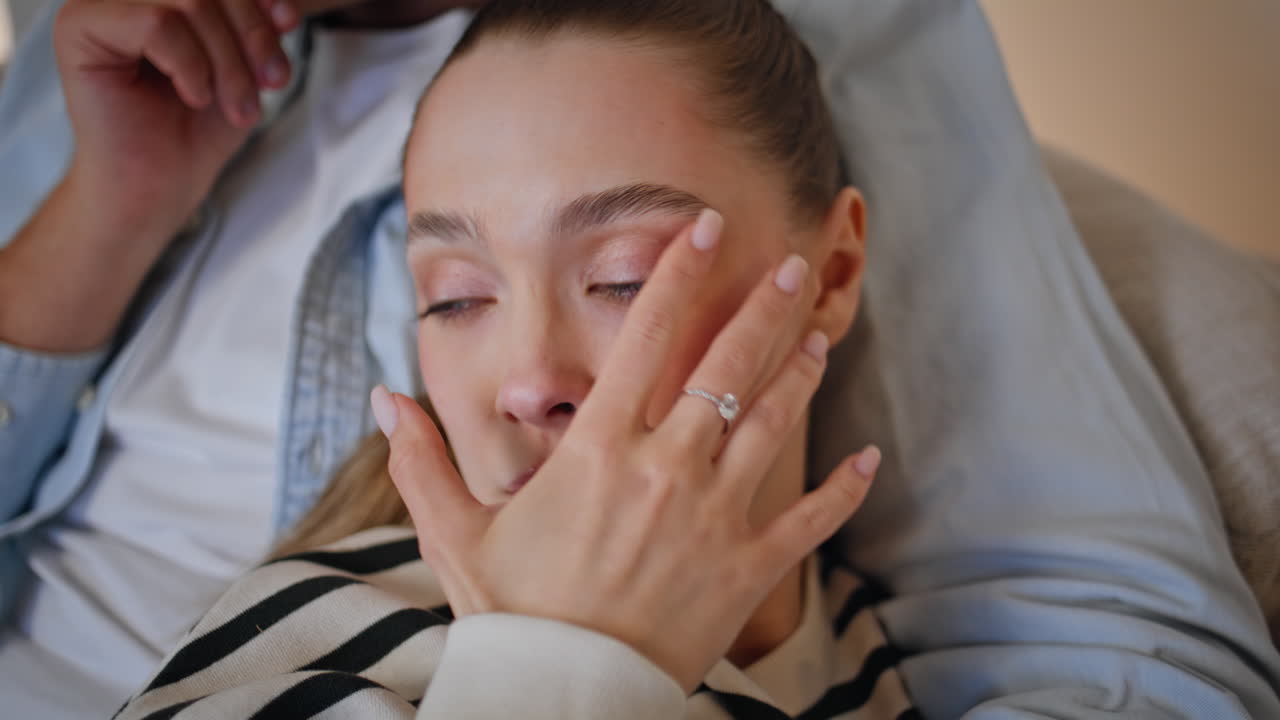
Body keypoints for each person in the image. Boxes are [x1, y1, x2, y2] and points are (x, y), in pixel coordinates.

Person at [116, 2, 921, 717]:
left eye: (626, 279)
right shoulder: (311, 637)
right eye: (456, 299)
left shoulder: (920, 678)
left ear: (832, 275)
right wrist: (561, 665)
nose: (529, 385)